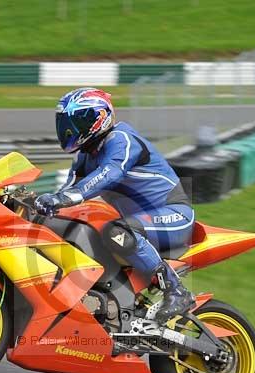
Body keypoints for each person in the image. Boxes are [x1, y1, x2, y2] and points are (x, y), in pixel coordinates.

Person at [34, 87, 194, 323]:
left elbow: (110, 173)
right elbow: (66, 194)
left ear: (98, 118)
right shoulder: (85, 156)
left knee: (117, 231)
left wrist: (68, 197)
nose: (70, 129)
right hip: (140, 220)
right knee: (80, 232)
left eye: (79, 120)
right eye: (66, 122)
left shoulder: (121, 139)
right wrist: (36, 203)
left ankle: (176, 291)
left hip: (174, 214)